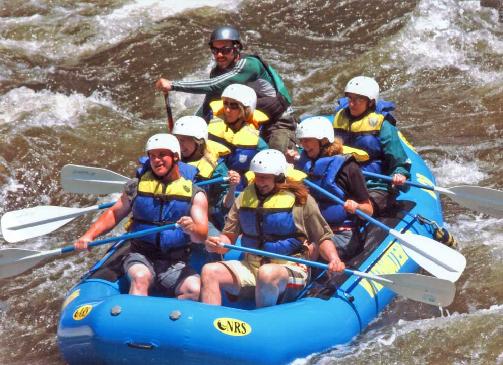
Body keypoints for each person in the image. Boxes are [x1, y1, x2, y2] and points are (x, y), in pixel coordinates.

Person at [201, 149, 345, 308]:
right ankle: (210, 325)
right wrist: (217, 244)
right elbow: (228, 238)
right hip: (253, 265)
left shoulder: (300, 200)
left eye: (265, 178)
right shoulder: (244, 197)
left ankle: (263, 321)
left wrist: (334, 259)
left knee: (267, 273)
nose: (259, 182)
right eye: (257, 176)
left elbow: (322, 237)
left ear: (278, 177)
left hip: (291, 267)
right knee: (209, 271)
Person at [74, 133, 208, 300]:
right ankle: (131, 322)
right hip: (140, 255)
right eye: (152, 156)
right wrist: (89, 236)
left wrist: (192, 228)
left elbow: (202, 234)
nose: (156, 160)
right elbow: (114, 213)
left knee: (194, 288)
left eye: (161, 155)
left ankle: (170, 324)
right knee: (140, 278)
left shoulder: (195, 194)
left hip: (175, 262)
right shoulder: (136, 187)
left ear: (175, 157)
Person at [155, 25, 296, 152]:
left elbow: (212, 85)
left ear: (237, 48)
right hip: (245, 119)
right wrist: (186, 131)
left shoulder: (249, 65)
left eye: (225, 50)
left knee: (276, 153)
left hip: (277, 119)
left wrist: (173, 85)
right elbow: (207, 105)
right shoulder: (217, 71)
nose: (219, 55)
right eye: (215, 50)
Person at [295, 116, 374, 260]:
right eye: (301, 140)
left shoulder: (349, 168)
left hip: (341, 234)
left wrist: (356, 206)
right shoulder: (303, 165)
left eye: (307, 140)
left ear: (323, 140)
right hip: (311, 231)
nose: (303, 145)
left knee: (307, 250)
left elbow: (368, 210)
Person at [332, 76, 411, 217]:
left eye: (358, 99)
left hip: (374, 184)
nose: (352, 104)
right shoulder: (340, 117)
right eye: (350, 98)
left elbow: (399, 161)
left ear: (370, 102)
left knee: (361, 211)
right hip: (343, 180)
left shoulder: (383, 125)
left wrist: (400, 174)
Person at [207, 84, 268, 198]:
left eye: (234, 106)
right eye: (225, 104)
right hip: (211, 185)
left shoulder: (258, 143)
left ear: (245, 110)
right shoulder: (208, 129)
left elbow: (266, 169)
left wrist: (246, 179)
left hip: (238, 191)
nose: (227, 110)